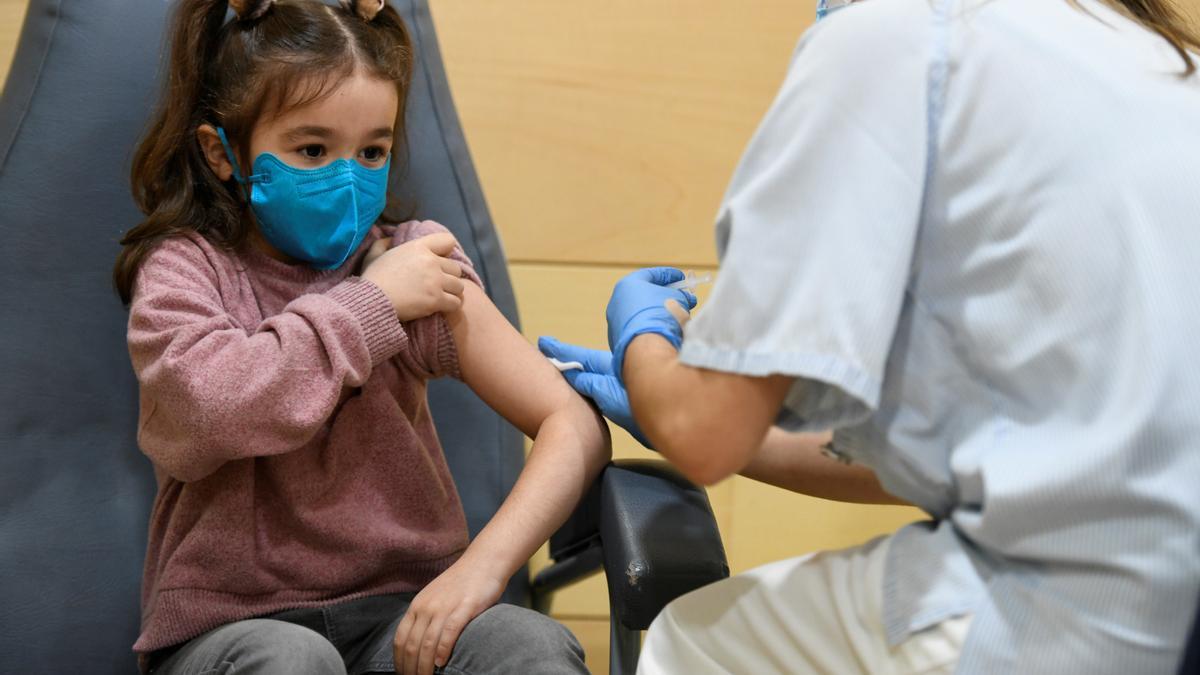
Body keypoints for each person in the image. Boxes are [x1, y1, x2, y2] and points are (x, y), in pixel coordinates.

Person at [540, 0, 1200, 672]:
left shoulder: (898, 38)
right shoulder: (1156, 58)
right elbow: (1018, 452)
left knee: (694, 642)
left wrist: (645, 344)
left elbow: (698, 427)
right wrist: (731, 428)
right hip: (1177, 596)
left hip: (1084, 612)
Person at [114, 1, 610, 674]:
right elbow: (212, 409)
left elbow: (571, 422)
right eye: (312, 149)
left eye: (372, 151)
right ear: (221, 152)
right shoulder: (186, 269)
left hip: (399, 620)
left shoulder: (417, 263)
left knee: (525, 644)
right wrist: (372, 304)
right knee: (293, 659)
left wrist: (478, 573)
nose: (348, 176)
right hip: (233, 632)